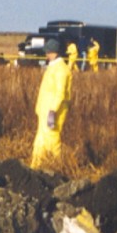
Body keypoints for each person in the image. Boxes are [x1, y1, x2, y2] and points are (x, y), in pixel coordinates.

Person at [30, 38, 73, 170]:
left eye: (48, 52)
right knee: (40, 140)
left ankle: (59, 167)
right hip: (45, 110)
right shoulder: (53, 67)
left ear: (55, 52)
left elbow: (60, 94)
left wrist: (53, 111)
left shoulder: (61, 70)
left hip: (54, 111)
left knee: (52, 139)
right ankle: (34, 168)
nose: (46, 55)